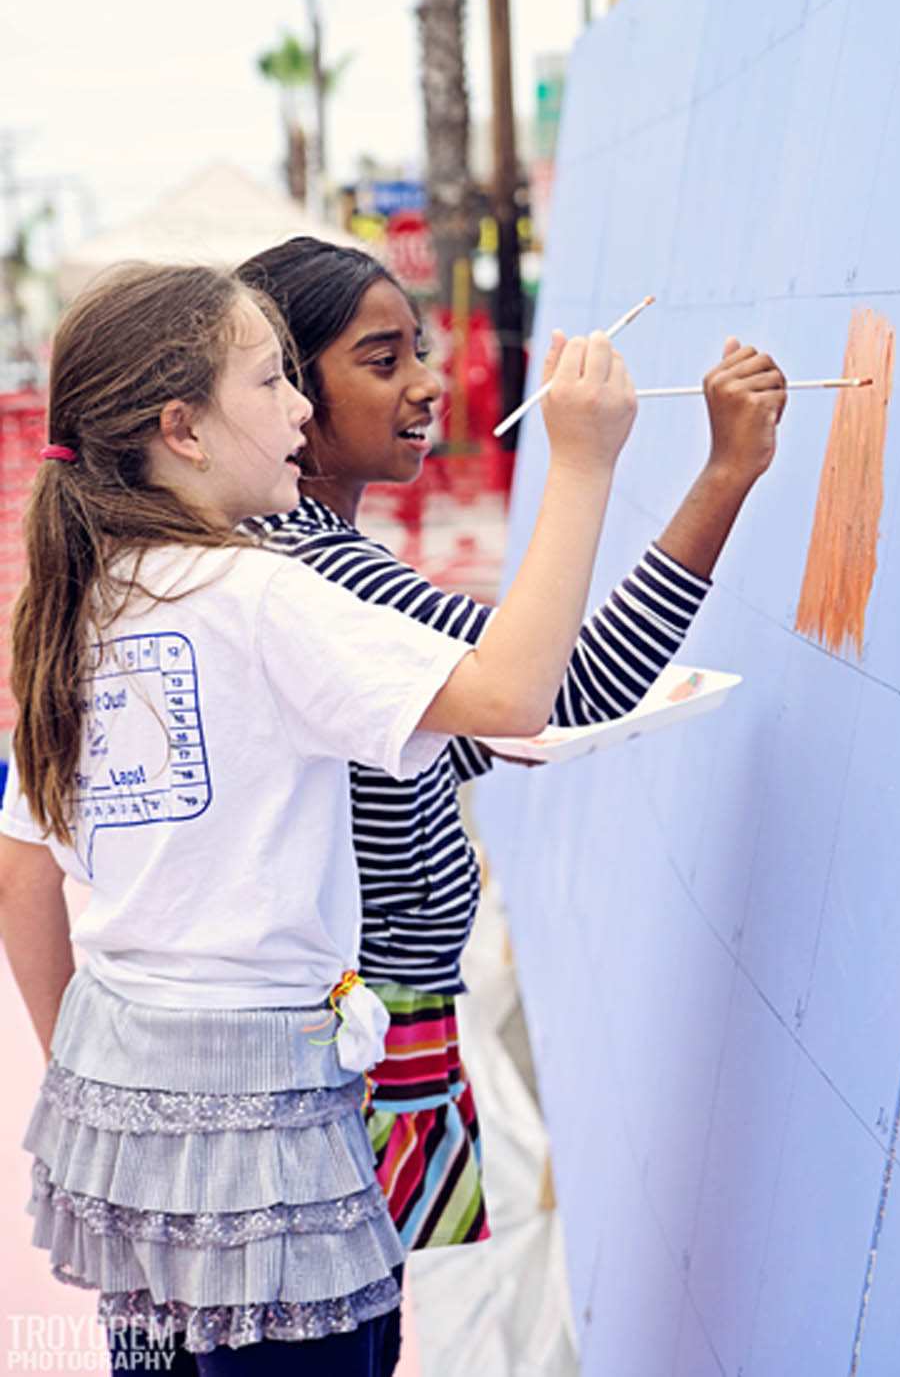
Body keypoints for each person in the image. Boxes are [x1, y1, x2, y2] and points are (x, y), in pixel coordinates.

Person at [0, 261, 638, 1373]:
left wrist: (88, 1071)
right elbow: (517, 696)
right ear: (182, 429)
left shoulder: (81, 596)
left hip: (118, 1099)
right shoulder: (258, 593)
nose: (299, 408)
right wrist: (581, 465)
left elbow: (27, 859)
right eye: (269, 383)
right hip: (263, 1116)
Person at [237, 237, 787, 1251]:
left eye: (421, 351)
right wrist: (722, 473)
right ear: (287, 398)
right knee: (345, 1327)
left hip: (366, 1010)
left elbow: (449, 735)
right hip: (363, 1024)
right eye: (382, 358)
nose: (426, 384)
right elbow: (562, 693)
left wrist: (495, 724)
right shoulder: (318, 569)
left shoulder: (304, 556)